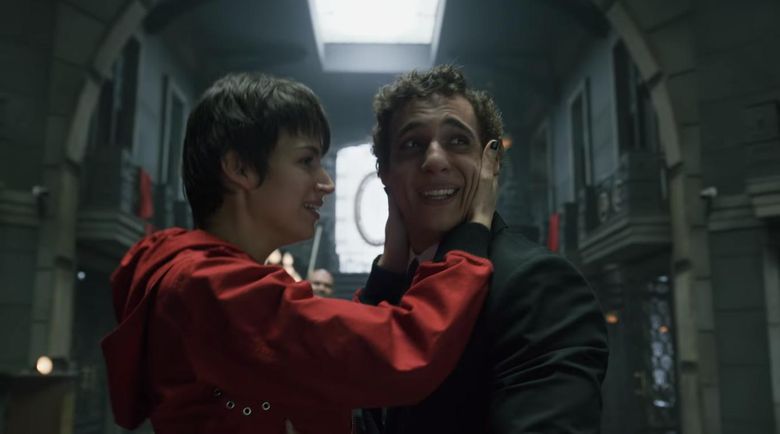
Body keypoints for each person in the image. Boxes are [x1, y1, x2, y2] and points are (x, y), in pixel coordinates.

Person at [101, 72, 503, 433]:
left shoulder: (202, 281)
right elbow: (402, 351)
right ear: (240, 169)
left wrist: (391, 268)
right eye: (307, 160)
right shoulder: (212, 289)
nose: (325, 182)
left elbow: (333, 357)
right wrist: (471, 239)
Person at [358, 65, 609, 433]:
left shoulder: (538, 284)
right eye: (412, 144)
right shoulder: (394, 284)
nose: (435, 160)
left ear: (491, 162)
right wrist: (386, 277)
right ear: (385, 173)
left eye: (458, 141)